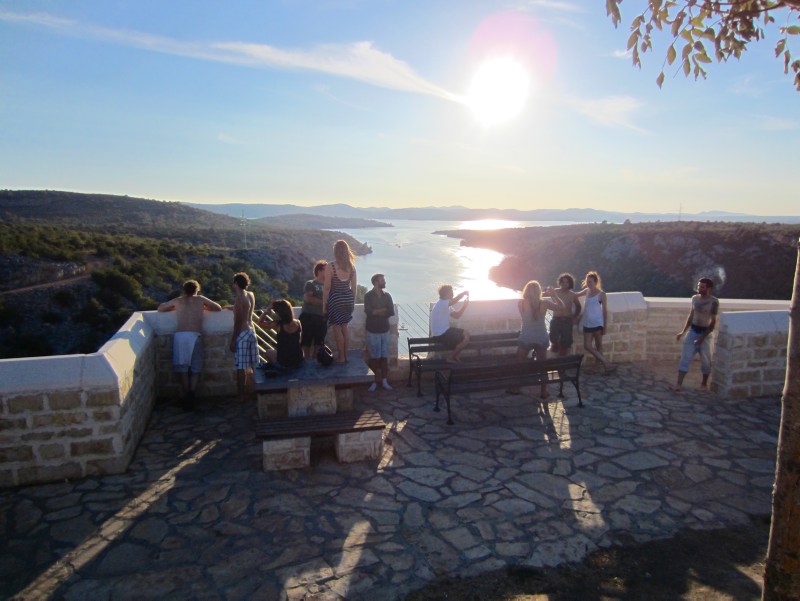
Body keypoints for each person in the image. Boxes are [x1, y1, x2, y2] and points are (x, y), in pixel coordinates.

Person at [157, 280, 222, 410]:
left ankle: (186, 395)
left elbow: (160, 308)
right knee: (195, 368)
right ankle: (192, 394)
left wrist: (173, 308)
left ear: (184, 290)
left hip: (180, 336)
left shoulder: (178, 301)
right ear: (196, 289)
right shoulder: (200, 300)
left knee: (183, 369)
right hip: (194, 335)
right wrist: (205, 308)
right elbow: (218, 308)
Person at [510, 280, 565, 397]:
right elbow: (561, 306)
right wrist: (554, 295)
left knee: (520, 364)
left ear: (526, 291)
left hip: (526, 337)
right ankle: (544, 391)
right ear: (539, 291)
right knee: (542, 366)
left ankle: (516, 388)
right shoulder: (544, 303)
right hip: (541, 337)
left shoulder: (520, 303)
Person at [674, 277, 719, 391]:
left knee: (706, 361)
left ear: (709, 288)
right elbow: (691, 315)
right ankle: (679, 384)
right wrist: (683, 332)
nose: (699, 288)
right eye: (699, 286)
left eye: (702, 287)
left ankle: (704, 383)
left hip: (706, 334)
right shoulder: (694, 299)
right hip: (693, 331)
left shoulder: (713, 302)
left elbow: (713, 323)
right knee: (685, 357)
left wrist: (702, 338)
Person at [323, 240, 357, 363]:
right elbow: (354, 288)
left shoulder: (330, 266)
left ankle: (341, 357)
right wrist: (352, 303)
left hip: (336, 299)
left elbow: (327, 288)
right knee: (345, 328)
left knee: (337, 328)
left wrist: (324, 305)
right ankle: (346, 356)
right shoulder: (352, 267)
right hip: (348, 299)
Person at [229, 272, 258, 401]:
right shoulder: (250, 295)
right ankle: (256, 390)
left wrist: (233, 340)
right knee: (253, 364)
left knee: (241, 366)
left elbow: (239, 321)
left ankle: (241, 394)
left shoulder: (239, 297)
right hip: (252, 331)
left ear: (236, 284)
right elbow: (246, 311)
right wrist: (232, 308)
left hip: (243, 332)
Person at [577, 271, 613, 374]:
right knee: (587, 345)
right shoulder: (586, 291)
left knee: (598, 345)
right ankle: (605, 362)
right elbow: (575, 295)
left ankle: (597, 367)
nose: (588, 283)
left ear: (596, 282)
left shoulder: (601, 294)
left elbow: (604, 311)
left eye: (591, 281)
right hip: (587, 323)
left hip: (597, 323)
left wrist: (605, 326)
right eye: (587, 281)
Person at [364, 273, 395, 392]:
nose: (385, 282)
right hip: (372, 330)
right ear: (376, 282)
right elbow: (368, 311)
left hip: (385, 330)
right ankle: (374, 381)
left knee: (384, 357)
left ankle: (384, 381)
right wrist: (383, 310)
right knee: (374, 358)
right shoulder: (368, 296)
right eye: (382, 280)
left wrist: (377, 311)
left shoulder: (387, 296)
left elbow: (391, 311)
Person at [258, 299, 304, 370]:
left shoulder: (278, 325)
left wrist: (268, 309)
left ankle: (278, 368)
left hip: (284, 363)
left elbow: (260, 322)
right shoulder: (298, 323)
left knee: (268, 352)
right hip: (298, 361)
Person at [430, 285, 470, 363]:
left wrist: (464, 306)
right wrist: (463, 293)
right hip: (440, 334)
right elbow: (455, 300)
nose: (453, 294)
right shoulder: (442, 303)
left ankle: (455, 356)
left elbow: (457, 316)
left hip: (445, 331)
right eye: (451, 292)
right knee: (464, 339)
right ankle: (451, 358)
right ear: (446, 293)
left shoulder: (447, 305)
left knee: (466, 334)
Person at [548, 273, 582, 356]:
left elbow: (578, 306)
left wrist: (575, 317)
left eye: (567, 282)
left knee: (565, 343)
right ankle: (556, 360)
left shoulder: (573, 295)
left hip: (567, 321)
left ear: (570, 283)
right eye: (562, 282)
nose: (564, 284)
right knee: (554, 340)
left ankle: (562, 363)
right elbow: (542, 295)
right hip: (556, 320)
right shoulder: (555, 292)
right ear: (560, 282)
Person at [299, 261, 328, 360]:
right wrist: (324, 302)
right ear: (319, 271)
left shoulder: (329, 286)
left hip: (322, 317)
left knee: (319, 344)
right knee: (306, 343)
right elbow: (309, 299)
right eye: (326, 269)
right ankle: (306, 365)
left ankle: (315, 364)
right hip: (308, 316)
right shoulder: (310, 283)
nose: (329, 271)